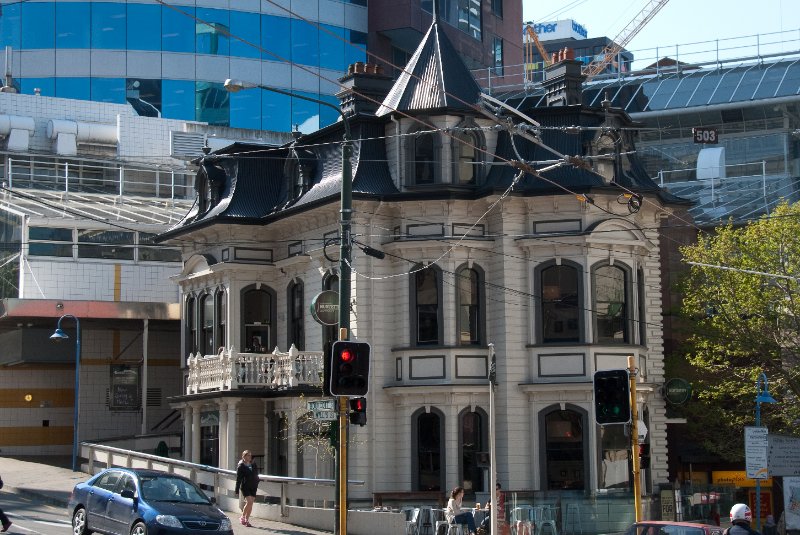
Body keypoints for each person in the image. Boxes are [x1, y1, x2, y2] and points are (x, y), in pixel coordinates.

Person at [234, 450, 260, 527]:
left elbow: (256, 474)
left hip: (253, 486)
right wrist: (237, 489)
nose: (249, 457)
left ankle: (247, 519)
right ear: (244, 456)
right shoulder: (241, 466)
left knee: (251, 503)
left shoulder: (253, 464)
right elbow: (238, 479)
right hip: (245, 486)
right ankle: (242, 516)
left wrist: (257, 481)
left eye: (250, 455)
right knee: (249, 501)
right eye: (248, 455)